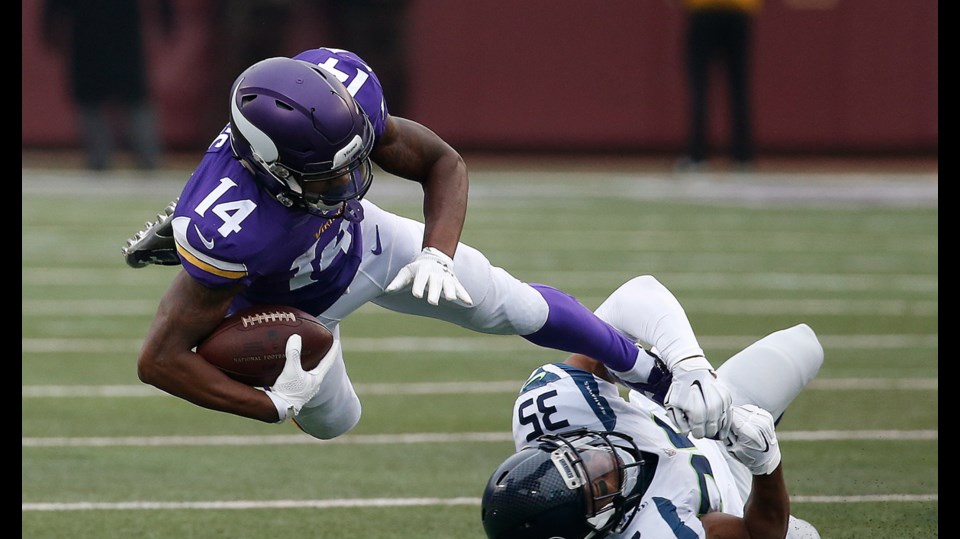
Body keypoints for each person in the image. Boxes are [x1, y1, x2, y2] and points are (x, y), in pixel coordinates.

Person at [121, 49, 733, 440]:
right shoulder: (231, 223)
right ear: (271, 169)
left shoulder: (339, 100)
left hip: (366, 242)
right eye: (327, 175)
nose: (348, 180)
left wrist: (438, 251)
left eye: (353, 161)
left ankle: (653, 376)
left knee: (511, 304)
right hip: (292, 312)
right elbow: (159, 360)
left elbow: (442, 161)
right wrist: (266, 406)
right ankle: (202, 259)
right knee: (337, 423)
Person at [481, 275, 825, 539]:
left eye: (583, 455)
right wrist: (765, 463)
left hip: (680, 417)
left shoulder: (555, 409)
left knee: (804, 344)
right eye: (600, 485)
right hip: (730, 493)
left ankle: (744, 419)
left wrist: (686, 367)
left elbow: (631, 299)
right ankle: (756, 435)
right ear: (590, 534)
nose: (604, 461)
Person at [41, 0, 175, 171]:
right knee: (91, 97)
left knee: (134, 97)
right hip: (87, 33)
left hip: (123, 32)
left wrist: (167, 17)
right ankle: (100, 159)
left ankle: (148, 157)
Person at [674, 0, 761, 171]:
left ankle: (698, 156)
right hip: (735, 12)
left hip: (706, 11)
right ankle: (742, 158)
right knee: (738, 90)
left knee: (701, 87)